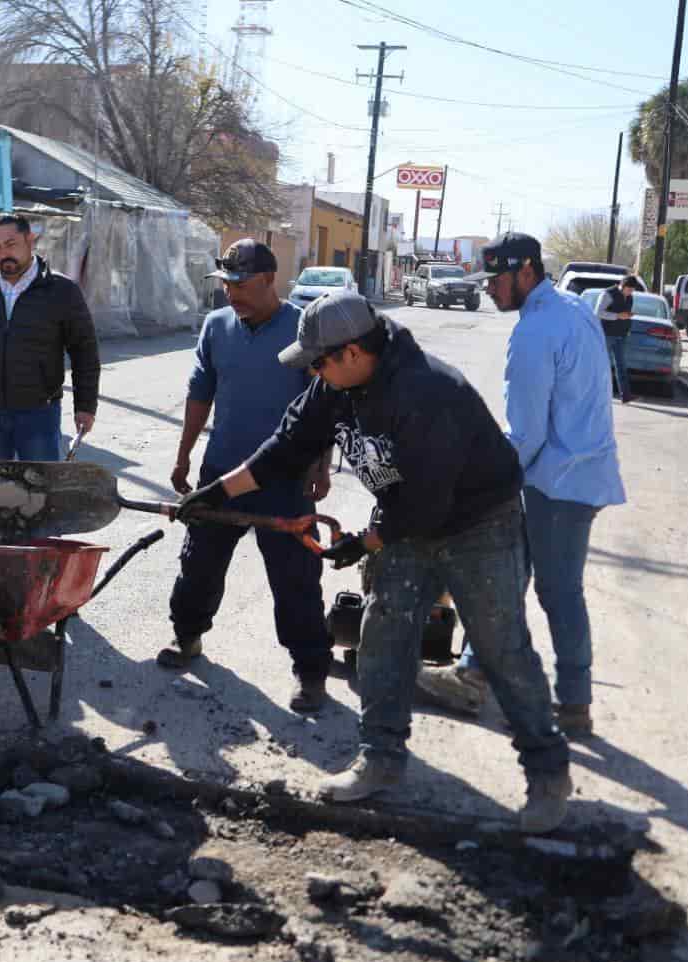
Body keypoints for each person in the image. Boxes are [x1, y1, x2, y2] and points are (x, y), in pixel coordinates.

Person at [176, 289, 573, 833]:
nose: (313, 372)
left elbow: (429, 500)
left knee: (502, 647)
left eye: (318, 362)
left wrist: (366, 542)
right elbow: (286, 446)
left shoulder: (426, 392)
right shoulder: (335, 386)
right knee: (383, 636)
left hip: (479, 526)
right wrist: (218, 493)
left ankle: (548, 774)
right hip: (407, 522)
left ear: (354, 354)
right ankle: (381, 760)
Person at [417, 234, 626, 738]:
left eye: (496, 279)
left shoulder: (535, 332)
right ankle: (471, 671)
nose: (489, 288)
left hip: (558, 483)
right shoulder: (575, 308)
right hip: (572, 470)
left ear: (527, 273)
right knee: (504, 577)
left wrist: (477, 485)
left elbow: (526, 433)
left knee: (558, 592)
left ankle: (573, 704)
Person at [160, 239, 332, 712]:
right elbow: (200, 395)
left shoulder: (304, 328)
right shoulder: (216, 327)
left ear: (268, 280)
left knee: (295, 577)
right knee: (199, 563)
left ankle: (310, 671)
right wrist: (183, 457)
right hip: (222, 472)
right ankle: (188, 637)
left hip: (285, 478)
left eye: (240, 284)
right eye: (226, 284)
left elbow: (327, 402)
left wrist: (321, 465)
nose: (231, 293)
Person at [0, 212, 100, 461]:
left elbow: (84, 351)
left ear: (30, 240)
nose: (4, 253)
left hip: (38, 413)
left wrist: (85, 406)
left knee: (41, 493)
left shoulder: (61, 290)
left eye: (11, 244)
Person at [592, 274, 639, 403]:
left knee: (621, 366)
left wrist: (628, 316)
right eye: (629, 290)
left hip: (621, 335)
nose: (630, 293)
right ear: (622, 286)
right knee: (602, 365)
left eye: (632, 290)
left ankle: (626, 395)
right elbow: (598, 312)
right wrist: (618, 316)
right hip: (606, 335)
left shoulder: (630, 297)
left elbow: (624, 313)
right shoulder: (608, 294)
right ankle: (598, 394)